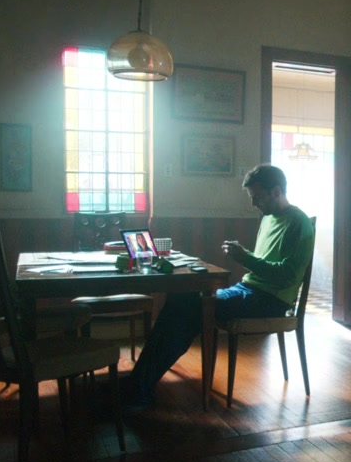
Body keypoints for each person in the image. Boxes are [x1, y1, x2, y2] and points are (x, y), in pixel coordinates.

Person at [120, 164, 315, 408]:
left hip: (271, 300)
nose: (254, 204)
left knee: (188, 306)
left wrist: (245, 258)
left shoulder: (299, 223)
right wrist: (246, 256)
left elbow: (287, 276)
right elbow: (265, 262)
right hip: (249, 291)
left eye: (257, 197)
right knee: (181, 300)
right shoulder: (268, 219)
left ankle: (140, 387)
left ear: (276, 191)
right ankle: (140, 383)